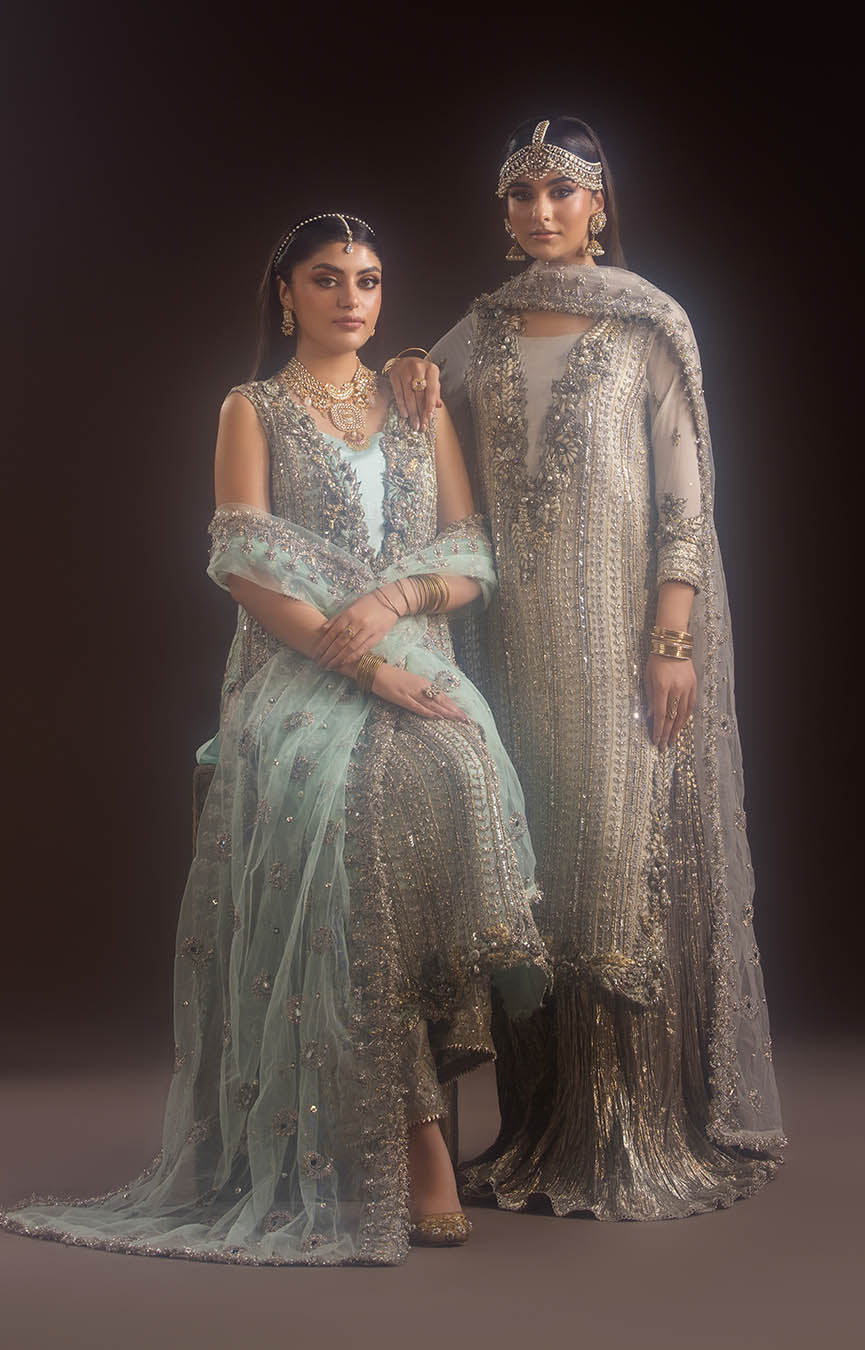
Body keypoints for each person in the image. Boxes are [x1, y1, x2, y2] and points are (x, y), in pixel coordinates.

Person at [0, 212, 549, 1264]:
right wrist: (366, 664)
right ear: (286, 293)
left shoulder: (416, 399)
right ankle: (419, 1134)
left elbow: (471, 554)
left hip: (421, 658)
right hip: (298, 675)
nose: (352, 298)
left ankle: (425, 1094)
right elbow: (247, 571)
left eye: (370, 279)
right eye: (328, 278)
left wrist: (399, 602)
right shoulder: (250, 409)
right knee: (354, 809)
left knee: (456, 769)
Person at [387, 118, 786, 1220]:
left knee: (611, 863)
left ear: (600, 204)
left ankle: (628, 1137)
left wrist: (672, 640)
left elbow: (686, 498)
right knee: (530, 867)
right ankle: (538, 1131)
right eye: (522, 195)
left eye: (562, 191)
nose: (541, 212)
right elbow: (405, 405)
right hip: (506, 649)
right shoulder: (482, 327)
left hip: (619, 646)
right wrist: (411, 362)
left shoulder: (649, 324)